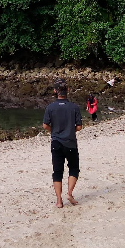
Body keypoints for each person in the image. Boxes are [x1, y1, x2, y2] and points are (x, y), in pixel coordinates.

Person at [42, 80, 83, 208]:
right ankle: (69, 193)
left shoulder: (50, 107)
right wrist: (70, 130)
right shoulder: (74, 107)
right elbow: (79, 126)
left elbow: (45, 125)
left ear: (55, 91)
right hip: (70, 142)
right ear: (68, 90)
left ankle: (59, 201)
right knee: (74, 168)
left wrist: (54, 131)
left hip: (56, 142)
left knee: (57, 171)